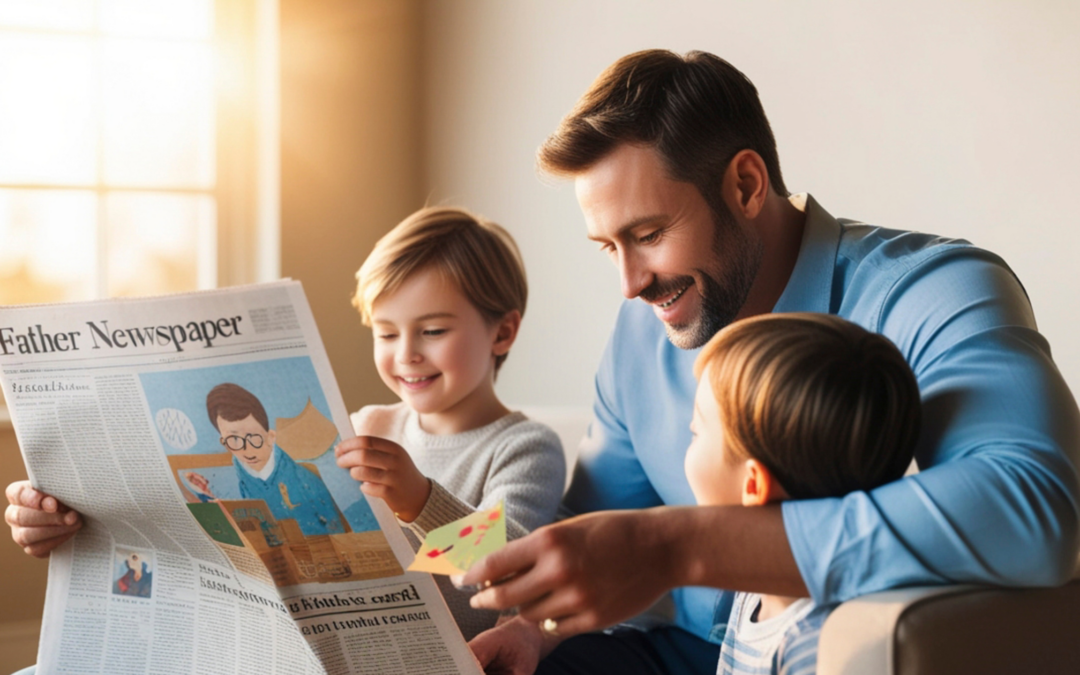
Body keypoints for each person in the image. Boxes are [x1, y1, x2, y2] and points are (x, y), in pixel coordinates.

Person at [460, 49, 1080, 675]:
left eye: (648, 235)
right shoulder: (643, 328)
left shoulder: (933, 290)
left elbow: (1035, 508)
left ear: (747, 186)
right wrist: (534, 630)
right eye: (608, 246)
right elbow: (589, 524)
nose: (628, 284)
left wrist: (674, 548)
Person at [333, 205, 566, 639]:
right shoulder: (367, 427)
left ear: (502, 333)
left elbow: (504, 570)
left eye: (433, 331)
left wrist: (420, 501)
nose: (405, 354)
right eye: (386, 333)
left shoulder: (527, 448)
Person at [686, 313, 920, 674]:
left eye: (696, 431)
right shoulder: (755, 588)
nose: (689, 435)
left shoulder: (813, 646)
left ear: (753, 485)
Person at [187, 382, 346, 536]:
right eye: (233, 440)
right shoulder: (243, 473)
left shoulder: (303, 481)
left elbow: (335, 530)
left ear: (270, 437)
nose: (246, 448)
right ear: (225, 444)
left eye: (253, 437)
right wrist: (205, 495)